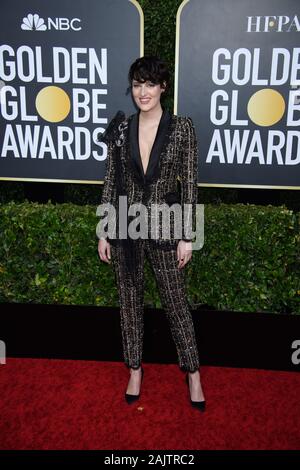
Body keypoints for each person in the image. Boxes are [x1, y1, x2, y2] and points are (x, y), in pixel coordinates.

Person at [98, 56, 205, 411]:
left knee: (176, 304)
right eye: (137, 85)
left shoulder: (182, 128)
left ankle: (192, 373)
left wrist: (187, 235)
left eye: (149, 84)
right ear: (131, 89)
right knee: (129, 305)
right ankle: (134, 369)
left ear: (163, 87)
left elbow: (189, 183)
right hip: (126, 226)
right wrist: (104, 230)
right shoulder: (121, 128)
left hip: (166, 225)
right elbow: (112, 182)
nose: (143, 92)